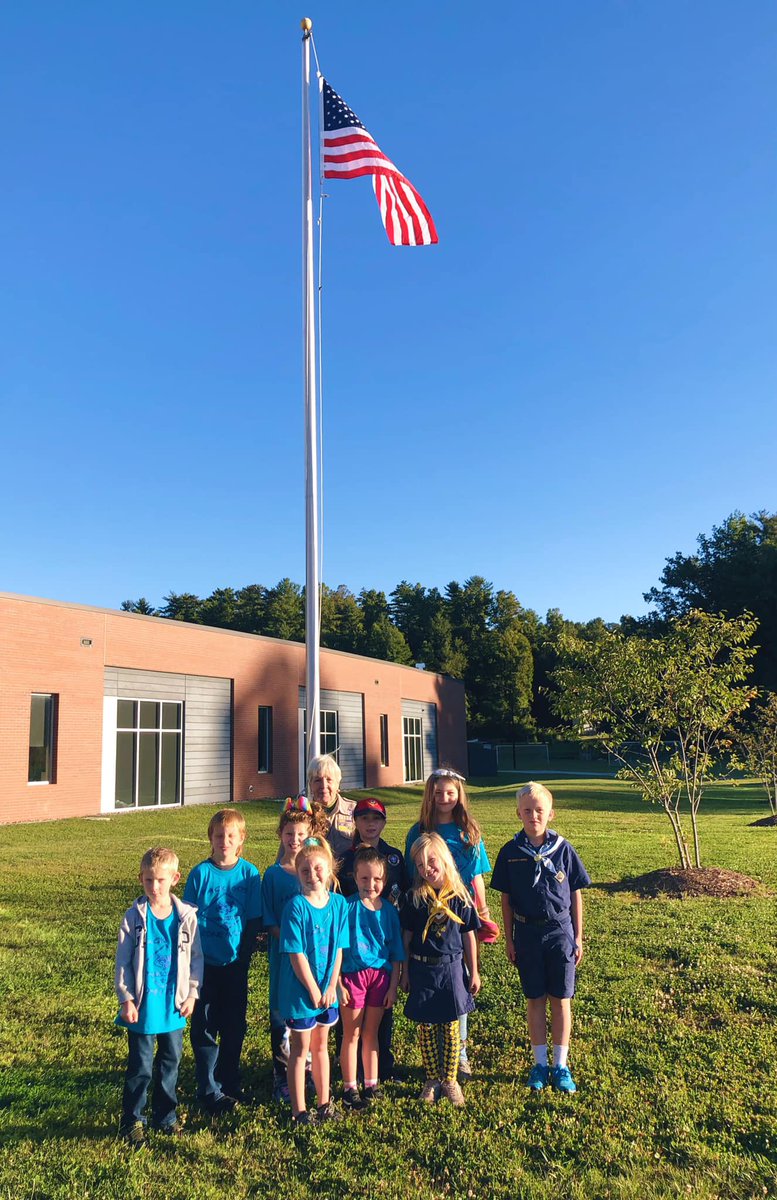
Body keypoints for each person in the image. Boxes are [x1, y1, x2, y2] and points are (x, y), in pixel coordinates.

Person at [490, 781, 590, 1094]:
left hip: (560, 932)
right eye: (527, 811)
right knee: (534, 999)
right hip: (526, 933)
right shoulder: (511, 852)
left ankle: (561, 1065)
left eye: (540, 811)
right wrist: (509, 939)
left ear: (551, 814)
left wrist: (578, 936)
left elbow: (575, 892)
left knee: (561, 1000)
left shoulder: (563, 849)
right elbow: (505, 899)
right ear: (518, 813)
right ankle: (540, 1063)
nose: (534, 816)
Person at [404, 768, 499, 1081]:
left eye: (450, 792)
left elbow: (476, 877)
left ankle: (460, 1055)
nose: (444, 798)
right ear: (429, 793)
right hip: (428, 916)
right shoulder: (418, 830)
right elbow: (411, 876)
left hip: (461, 915)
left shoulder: (468, 831)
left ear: (460, 795)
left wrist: (482, 912)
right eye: (438, 791)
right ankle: (435, 1057)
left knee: (461, 981)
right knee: (431, 982)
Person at [115, 847, 203, 1148]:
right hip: (143, 1007)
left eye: (160, 880)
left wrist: (192, 993)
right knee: (140, 1065)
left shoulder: (186, 917)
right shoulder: (134, 917)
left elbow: (195, 959)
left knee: (170, 1061)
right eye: (148, 880)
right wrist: (126, 998)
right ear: (141, 879)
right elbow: (123, 961)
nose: (154, 887)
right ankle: (132, 1120)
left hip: (174, 1006)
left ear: (174, 879)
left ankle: (165, 1116)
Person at [183, 808, 262, 1115]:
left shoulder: (249, 874)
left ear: (241, 839)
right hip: (203, 966)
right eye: (219, 836)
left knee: (234, 1025)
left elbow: (254, 919)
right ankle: (207, 1084)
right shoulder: (200, 874)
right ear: (211, 839)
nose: (224, 841)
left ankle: (229, 1079)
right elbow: (187, 921)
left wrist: (243, 956)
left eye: (231, 836)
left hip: (235, 964)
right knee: (204, 1025)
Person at [400, 833, 481, 1107]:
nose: (427, 869)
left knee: (450, 1027)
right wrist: (405, 971)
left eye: (431, 861)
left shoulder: (460, 896)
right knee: (426, 1028)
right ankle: (432, 1078)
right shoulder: (414, 898)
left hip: (452, 969)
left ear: (444, 859)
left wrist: (474, 970)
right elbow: (407, 937)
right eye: (420, 866)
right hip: (423, 970)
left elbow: (469, 935)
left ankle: (450, 1079)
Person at [278, 836, 349, 1126]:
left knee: (321, 1047)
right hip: (301, 992)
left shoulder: (340, 904)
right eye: (305, 870)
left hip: (327, 992)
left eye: (318, 869)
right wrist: (314, 989)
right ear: (297, 873)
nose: (312, 875)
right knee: (300, 1049)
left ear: (330, 869)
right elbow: (297, 956)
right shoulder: (295, 907)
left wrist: (332, 986)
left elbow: (339, 949)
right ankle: (299, 1111)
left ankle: (323, 1102)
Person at [338, 796, 408, 1081]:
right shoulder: (344, 858)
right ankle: (350, 1070)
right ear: (355, 821)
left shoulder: (394, 857)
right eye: (364, 818)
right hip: (354, 946)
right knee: (351, 1024)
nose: (370, 824)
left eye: (376, 818)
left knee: (382, 1015)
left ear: (384, 822)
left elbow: (402, 894)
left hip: (384, 941)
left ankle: (382, 1066)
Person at [261, 795, 323, 1102]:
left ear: (310, 833)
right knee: (282, 1016)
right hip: (284, 961)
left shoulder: (314, 870)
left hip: (315, 960)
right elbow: (269, 919)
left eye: (301, 834)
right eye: (289, 834)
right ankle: (282, 1075)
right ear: (280, 835)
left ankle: (309, 1070)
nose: (295, 840)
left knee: (309, 1014)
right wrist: (291, 940)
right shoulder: (273, 875)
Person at [338, 847, 404, 1110]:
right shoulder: (347, 907)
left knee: (370, 1033)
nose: (371, 884)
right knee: (350, 1034)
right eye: (364, 879)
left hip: (379, 978)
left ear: (384, 881)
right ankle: (349, 1087)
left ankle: (371, 1083)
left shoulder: (389, 911)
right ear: (355, 878)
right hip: (353, 976)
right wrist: (339, 981)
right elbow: (338, 949)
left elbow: (397, 951)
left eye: (376, 879)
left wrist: (393, 986)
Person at [306, 753, 356, 858]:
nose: (323, 786)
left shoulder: (355, 811)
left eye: (329, 780)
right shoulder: (302, 814)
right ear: (310, 785)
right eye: (317, 780)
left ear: (338, 783)